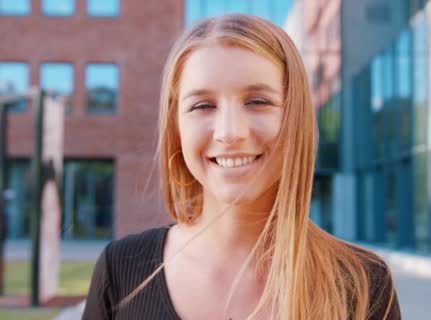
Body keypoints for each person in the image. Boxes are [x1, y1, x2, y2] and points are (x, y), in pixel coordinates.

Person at [82, 13, 400, 320]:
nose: (230, 132)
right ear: (175, 126)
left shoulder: (363, 283)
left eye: (258, 101)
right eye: (202, 105)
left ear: (294, 117)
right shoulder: (121, 270)